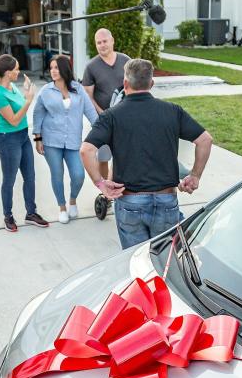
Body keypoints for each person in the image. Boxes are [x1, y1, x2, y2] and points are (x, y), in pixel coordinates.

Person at [80, 59, 213, 249]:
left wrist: (101, 183)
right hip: (166, 200)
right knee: (164, 260)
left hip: (129, 202)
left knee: (137, 261)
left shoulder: (111, 116)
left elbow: (86, 150)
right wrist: (195, 175)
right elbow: (205, 140)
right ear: (151, 84)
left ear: (125, 84)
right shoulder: (173, 111)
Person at [32, 55, 98, 224]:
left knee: (78, 175)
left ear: (64, 69)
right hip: (51, 140)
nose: (53, 71)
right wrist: (38, 138)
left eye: (56, 67)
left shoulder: (78, 88)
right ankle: (62, 207)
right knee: (57, 174)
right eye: (51, 67)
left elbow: (90, 111)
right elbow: (38, 114)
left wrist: (100, 132)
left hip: (73, 141)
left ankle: (72, 201)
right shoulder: (46, 91)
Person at [0, 53, 49, 233]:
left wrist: (25, 93)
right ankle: (8, 216)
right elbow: (14, 120)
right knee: (9, 179)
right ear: (8, 73)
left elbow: (20, 108)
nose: (18, 71)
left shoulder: (12, 88)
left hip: (23, 136)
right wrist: (29, 100)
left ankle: (31, 213)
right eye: (15, 69)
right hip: (8, 138)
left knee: (30, 176)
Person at [81, 28, 130, 195]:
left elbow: (134, 86)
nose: (102, 45)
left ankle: (124, 185)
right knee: (103, 156)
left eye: (105, 41)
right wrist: (102, 113)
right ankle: (105, 190)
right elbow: (87, 95)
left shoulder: (126, 61)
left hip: (125, 118)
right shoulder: (91, 67)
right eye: (98, 43)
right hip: (103, 120)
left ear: (112, 41)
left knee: (124, 155)